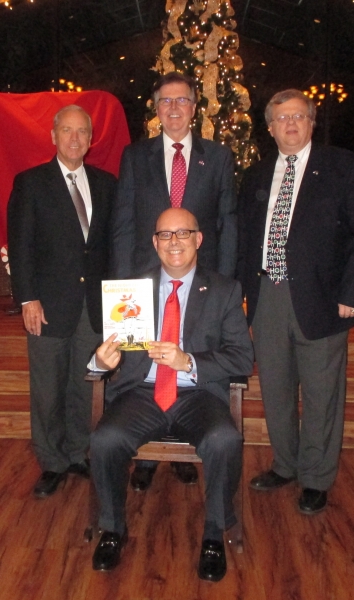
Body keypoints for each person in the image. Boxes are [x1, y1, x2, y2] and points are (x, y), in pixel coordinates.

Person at [89, 207, 253, 581]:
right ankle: (112, 529)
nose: (174, 241)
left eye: (183, 233)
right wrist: (100, 361)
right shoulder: (131, 290)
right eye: (165, 234)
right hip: (141, 393)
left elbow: (243, 357)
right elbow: (105, 347)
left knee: (224, 440)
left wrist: (188, 361)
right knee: (105, 439)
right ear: (154, 242)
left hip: (199, 394)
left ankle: (214, 534)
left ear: (199, 239)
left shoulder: (224, 290)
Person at [237, 89, 354, 515]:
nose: (291, 124)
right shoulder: (256, 174)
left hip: (325, 297)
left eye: (299, 116)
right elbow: (245, 239)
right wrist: (240, 297)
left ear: (312, 122)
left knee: (321, 393)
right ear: (270, 127)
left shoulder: (343, 167)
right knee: (276, 389)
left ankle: (316, 477)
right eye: (282, 118)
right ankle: (285, 464)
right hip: (267, 295)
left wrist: (352, 293)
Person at [111, 71, 238, 490]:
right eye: (165, 101)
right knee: (146, 368)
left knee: (188, 363)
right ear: (156, 109)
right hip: (145, 287)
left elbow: (226, 223)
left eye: (182, 100)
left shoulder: (217, 157)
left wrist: (225, 287)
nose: (174, 108)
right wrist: (123, 290)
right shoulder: (135, 156)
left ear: (194, 107)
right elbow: (124, 222)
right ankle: (147, 457)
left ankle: (187, 439)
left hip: (199, 285)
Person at [7, 105, 117, 499]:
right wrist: (27, 298)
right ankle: (51, 462)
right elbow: (21, 245)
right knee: (48, 389)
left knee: (84, 385)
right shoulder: (31, 183)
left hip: (94, 306)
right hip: (47, 306)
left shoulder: (107, 184)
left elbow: (112, 246)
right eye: (66, 130)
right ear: (53, 136)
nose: (74, 138)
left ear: (91, 139)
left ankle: (76, 453)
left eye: (81, 131)